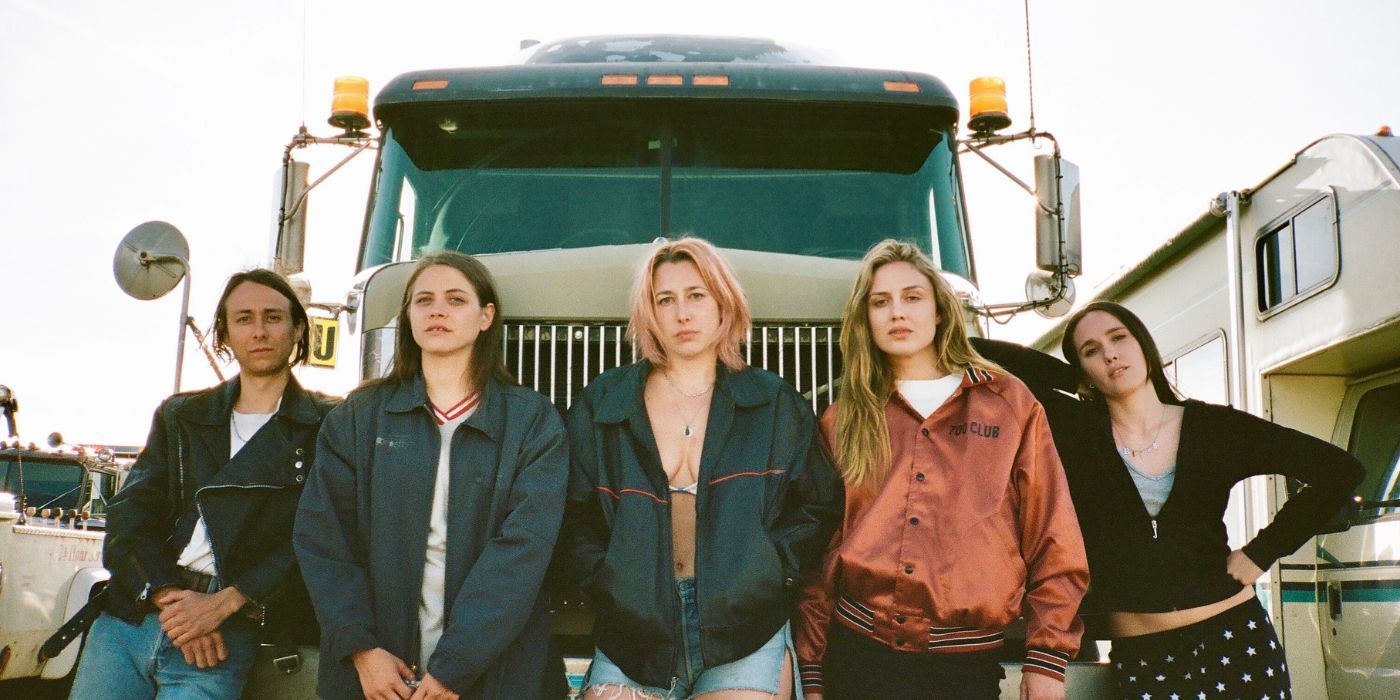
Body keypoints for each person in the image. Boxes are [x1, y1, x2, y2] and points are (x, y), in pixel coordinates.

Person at [794, 239, 1089, 700]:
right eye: (880, 302)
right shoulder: (844, 417)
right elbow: (822, 554)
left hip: (965, 667)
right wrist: (810, 667)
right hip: (858, 657)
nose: (897, 313)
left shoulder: (1008, 404)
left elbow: (1053, 534)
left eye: (912, 297)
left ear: (938, 312)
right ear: (865, 319)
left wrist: (1047, 659)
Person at [561, 237, 843, 699]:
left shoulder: (772, 403)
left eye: (696, 295)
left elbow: (816, 505)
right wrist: (609, 580)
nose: (682, 314)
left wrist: (769, 572)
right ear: (649, 313)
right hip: (635, 630)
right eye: (664, 300)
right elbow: (573, 513)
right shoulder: (605, 403)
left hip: (743, 630)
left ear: (723, 304)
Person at [294, 251, 569, 700]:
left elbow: (522, 551)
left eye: (455, 299)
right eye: (423, 301)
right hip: (378, 676)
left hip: (495, 675)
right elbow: (322, 540)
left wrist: (454, 669)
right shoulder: (359, 418)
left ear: (486, 316)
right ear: (409, 317)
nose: (437, 310)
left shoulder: (532, 421)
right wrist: (362, 649)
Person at [1058, 301, 1364, 700]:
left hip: (1236, 643)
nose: (1110, 353)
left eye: (1119, 338)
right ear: (1082, 373)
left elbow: (1339, 471)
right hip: (1144, 660)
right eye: (1091, 350)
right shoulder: (1076, 442)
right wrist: (1065, 377)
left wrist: (1261, 552)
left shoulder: (1214, 428)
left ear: (1144, 346)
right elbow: (1001, 365)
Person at [70, 269, 338, 699]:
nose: (260, 331)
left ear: (298, 328)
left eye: (273, 317)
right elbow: (131, 513)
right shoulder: (182, 415)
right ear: (226, 333)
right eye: (244, 318)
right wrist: (172, 601)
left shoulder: (328, 424)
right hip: (131, 618)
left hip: (227, 630)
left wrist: (222, 605)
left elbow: (321, 535)